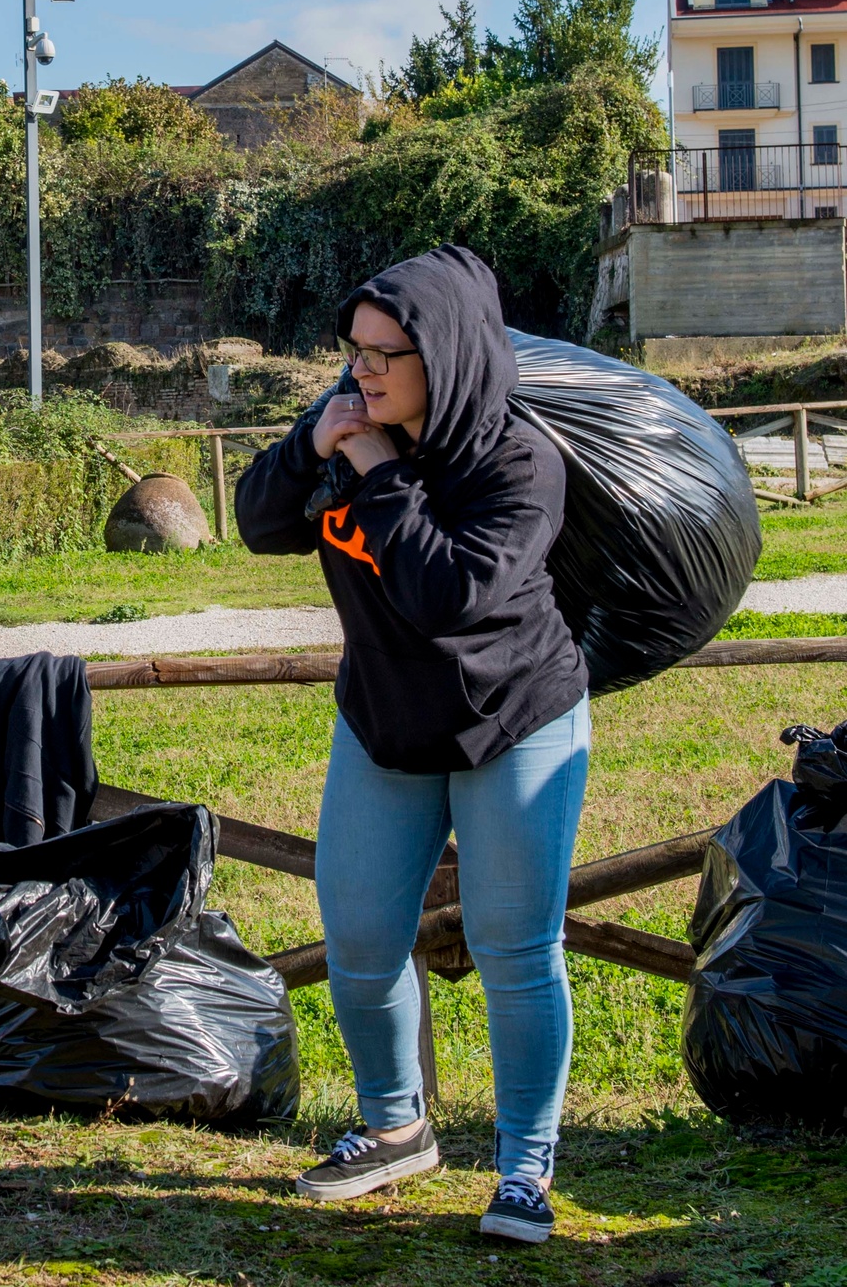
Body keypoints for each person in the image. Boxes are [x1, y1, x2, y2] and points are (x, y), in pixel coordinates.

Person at [234, 245, 589, 1244]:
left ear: (449, 354)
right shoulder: (349, 428)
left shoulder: (518, 464)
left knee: (513, 949)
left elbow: (447, 598)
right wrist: (312, 448)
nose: (364, 374)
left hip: (512, 722)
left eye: (387, 355)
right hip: (385, 724)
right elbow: (261, 524)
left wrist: (376, 469)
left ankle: (523, 1168)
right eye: (353, 354)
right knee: (356, 939)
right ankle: (396, 1129)